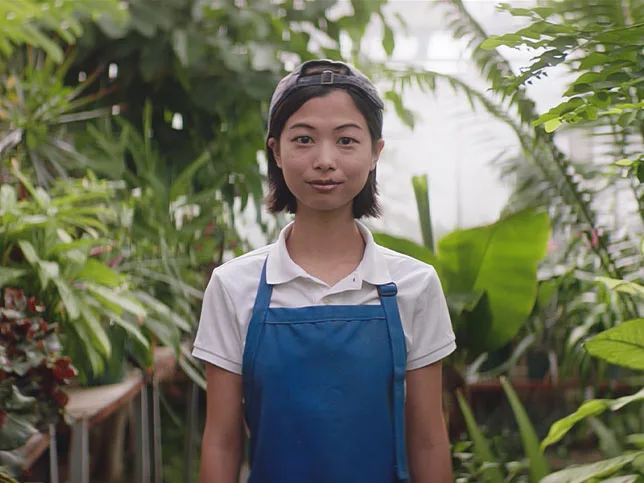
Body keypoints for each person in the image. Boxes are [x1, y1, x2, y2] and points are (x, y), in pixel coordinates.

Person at [192, 59, 456, 483]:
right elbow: (222, 442)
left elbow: (427, 440)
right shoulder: (232, 287)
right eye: (304, 139)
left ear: (375, 153)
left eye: (347, 140)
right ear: (276, 151)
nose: (325, 160)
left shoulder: (414, 286)